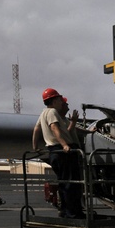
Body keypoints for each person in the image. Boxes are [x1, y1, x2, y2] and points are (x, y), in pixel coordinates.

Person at [35, 88, 83, 218]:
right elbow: (55, 129)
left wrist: (35, 146)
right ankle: (73, 213)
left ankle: (67, 211)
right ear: (55, 100)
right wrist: (65, 145)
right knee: (71, 183)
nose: (62, 103)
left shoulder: (43, 113)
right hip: (62, 152)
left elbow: (36, 129)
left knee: (65, 182)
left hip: (55, 152)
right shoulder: (52, 113)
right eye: (60, 101)